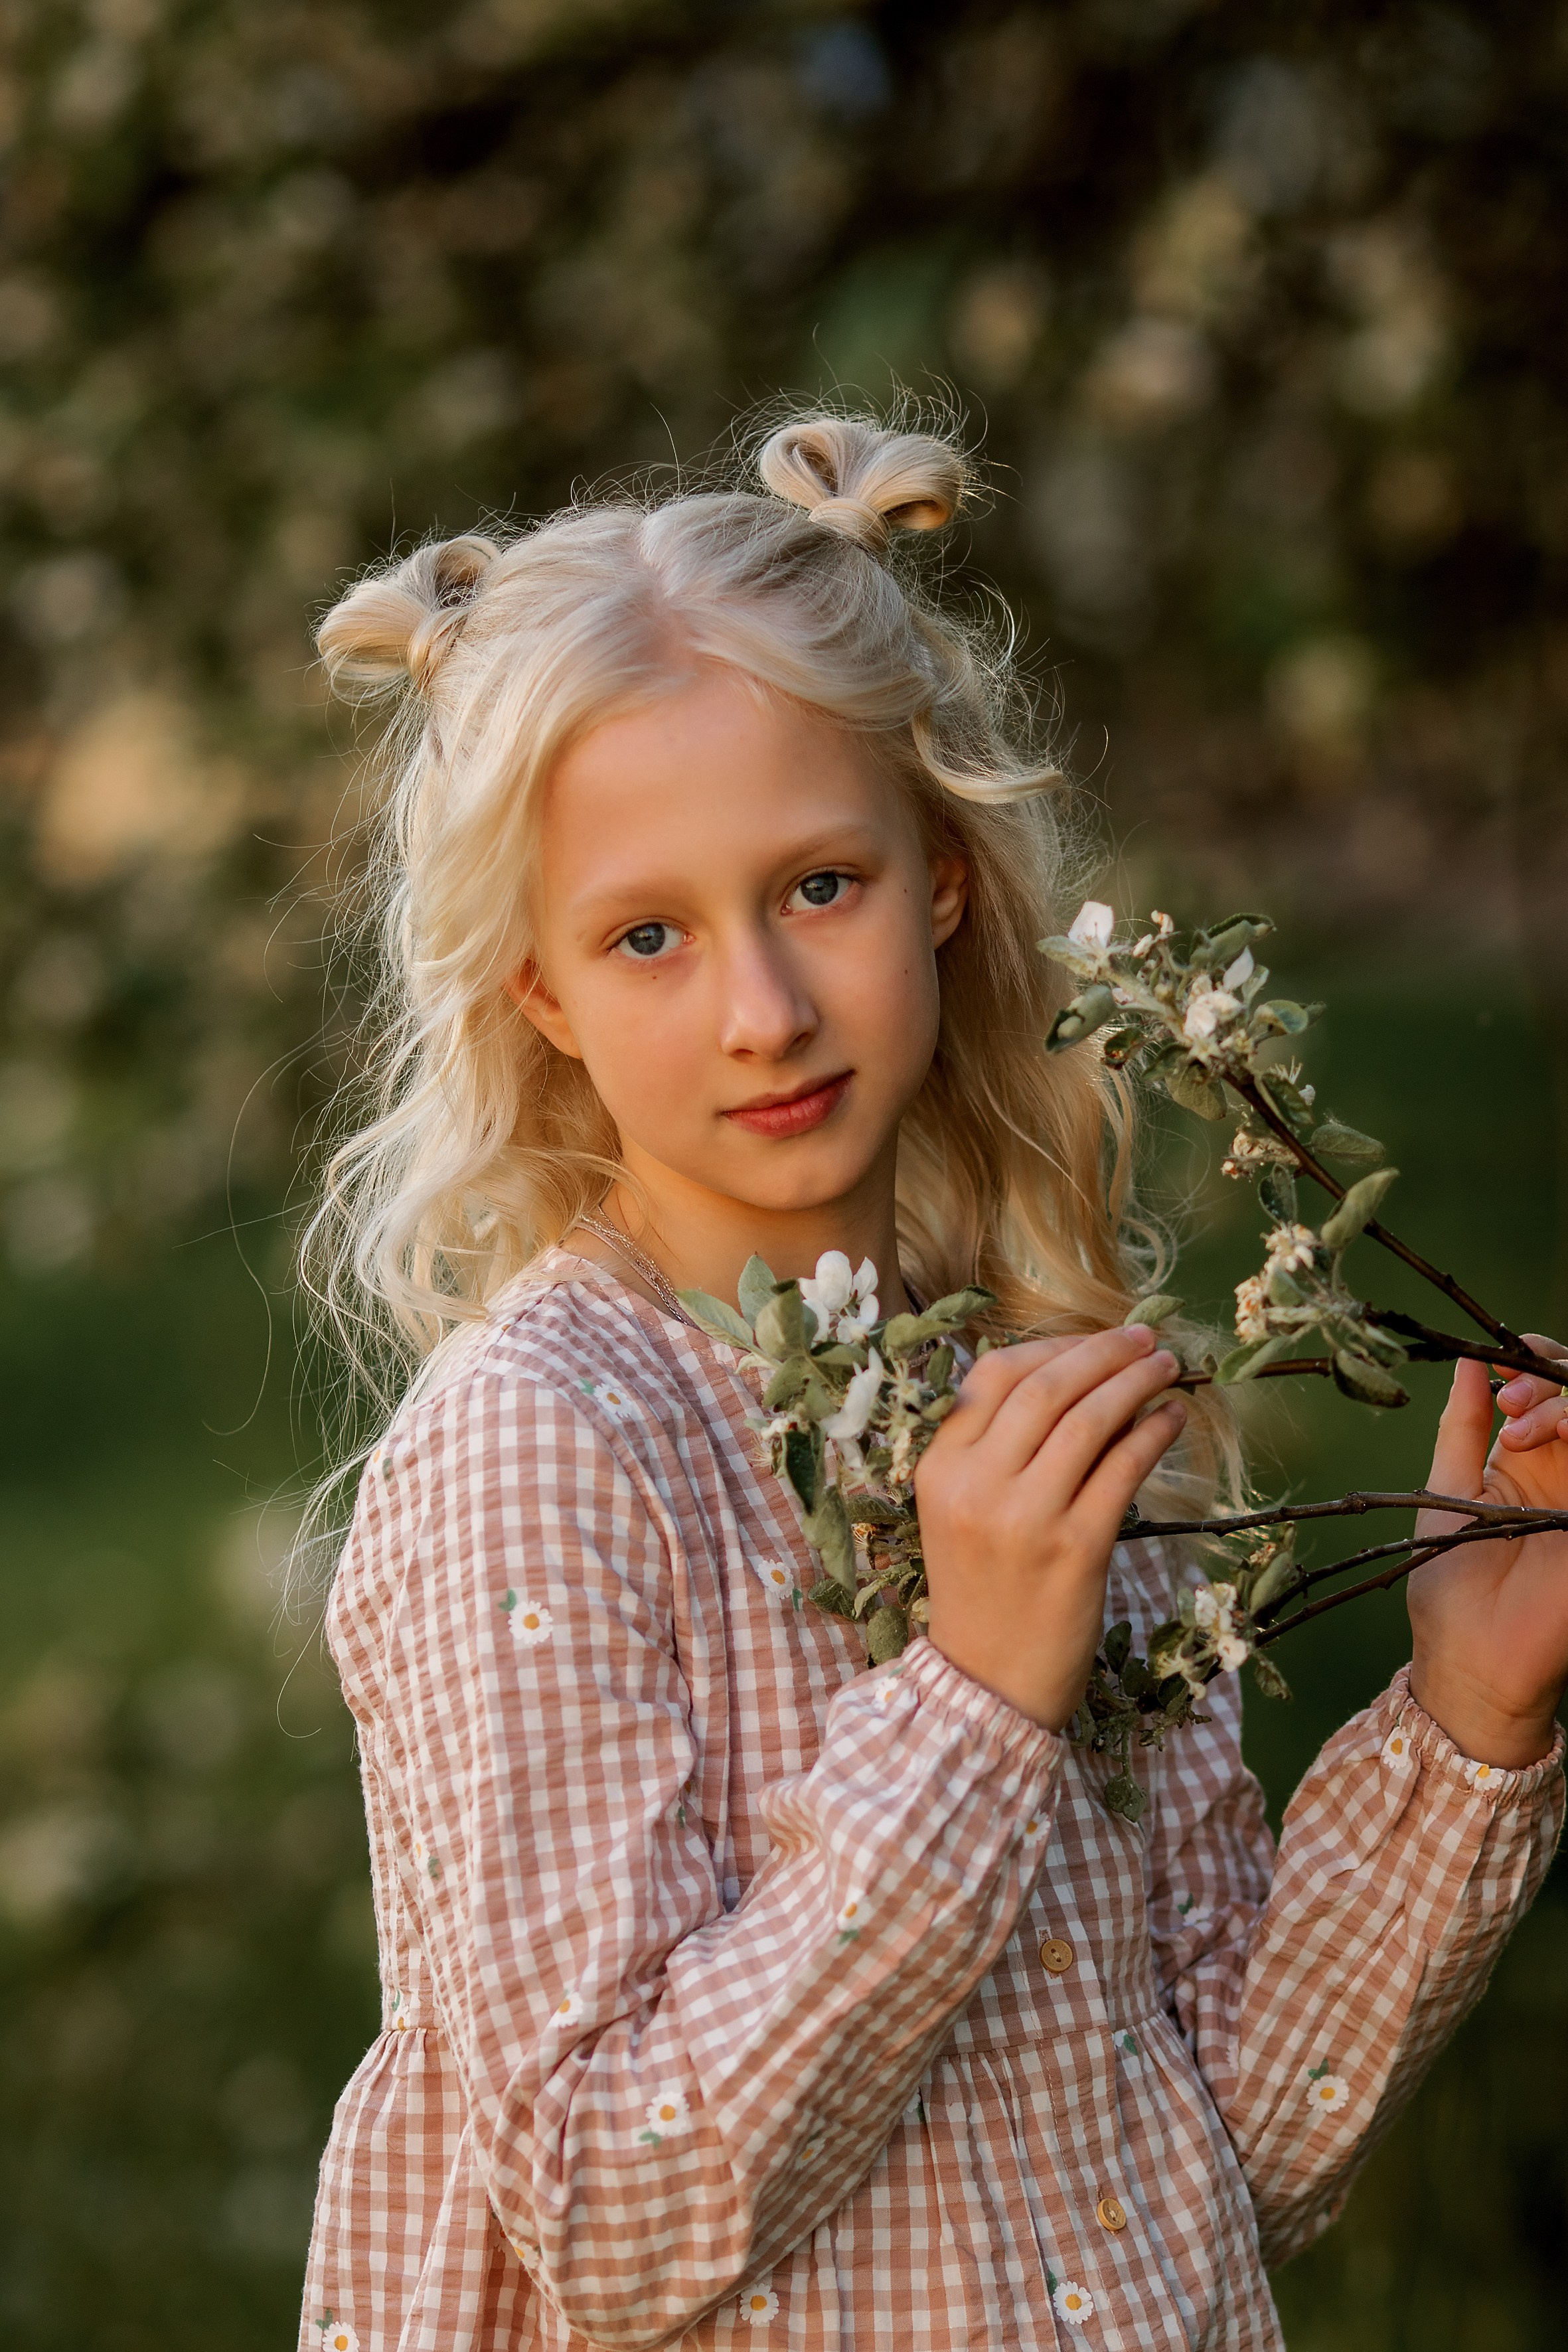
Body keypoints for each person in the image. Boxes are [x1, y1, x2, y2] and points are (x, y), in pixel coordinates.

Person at [296, 412, 1567, 2352]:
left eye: (819, 886)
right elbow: (610, 2217)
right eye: (648, 935)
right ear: (539, 993)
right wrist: (972, 1705)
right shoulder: (540, 1451)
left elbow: (1207, 2164)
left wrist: (1464, 1711)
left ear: (945, 877)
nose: (763, 1011)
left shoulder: (1037, 1397)